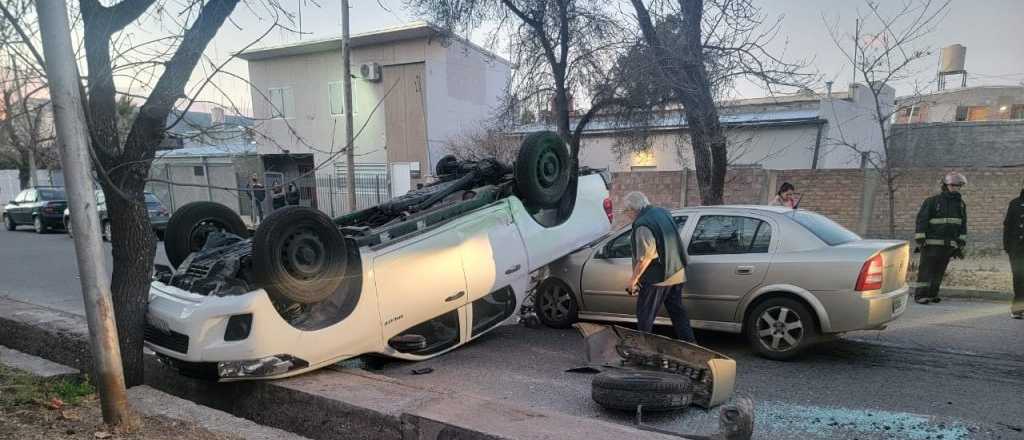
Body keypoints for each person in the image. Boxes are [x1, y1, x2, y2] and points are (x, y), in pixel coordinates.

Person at [622, 191, 696, 343]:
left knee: (645, 316)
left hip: (658, 277)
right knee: (678, 312)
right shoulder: (662, 212)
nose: (626, 215)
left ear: (633, 209)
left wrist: (633, 281)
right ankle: (690, 344)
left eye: (626, 211)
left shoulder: (643, 224)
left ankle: (644, 350)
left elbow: (646, 257)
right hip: (677, 271)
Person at [913, 172, 968, 305]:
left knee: (939, 271)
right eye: (953, 185)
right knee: (926, 271)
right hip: (931, 244)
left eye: (958, 186)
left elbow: (962, 224)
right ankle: (920, 295)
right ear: (945, 186)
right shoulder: (932, 201)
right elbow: (922, 220)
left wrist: (960, 244)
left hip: (948, 245)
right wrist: (921, 239)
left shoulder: (960, 204)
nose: (956, 188)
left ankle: (932, 294)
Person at [1003, 181, 1024, 319]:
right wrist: (1007, 246)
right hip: (1017, 248)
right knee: (1019, 278)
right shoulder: (1014, 203)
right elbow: (1007, 225)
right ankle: (1017, 309)